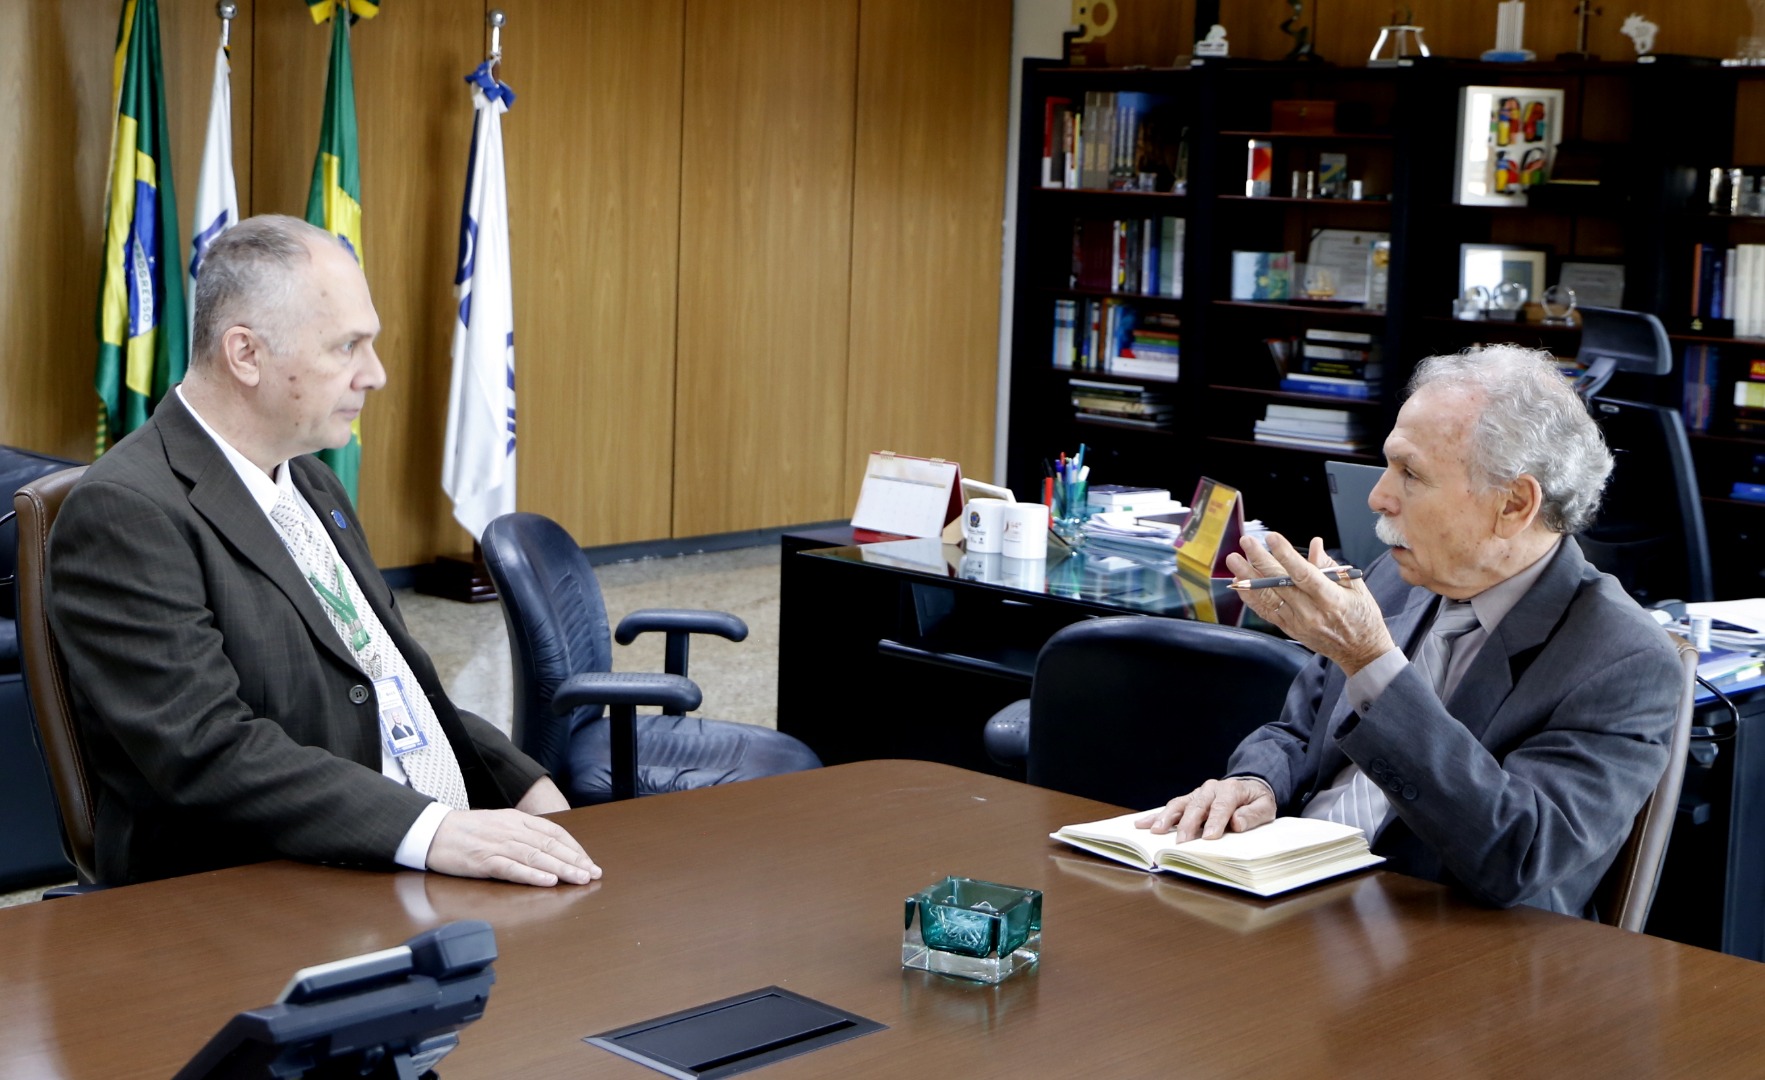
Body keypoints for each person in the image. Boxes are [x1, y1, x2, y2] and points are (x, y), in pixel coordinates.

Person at [48, 215, 602, 889]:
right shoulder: (126, 511)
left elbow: (390, 677)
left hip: (401, 847)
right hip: (255, 886)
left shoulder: (309, 479)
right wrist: (432, 832)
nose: (376, 374)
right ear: (245, 354)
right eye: (347, 347)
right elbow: (205, 749)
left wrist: (522, 784)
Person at [1138, 345, 1682, 915]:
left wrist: (1372, 661)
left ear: (1514, 504)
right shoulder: (1397, 576)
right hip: (1289, 893)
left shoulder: (1624, 659)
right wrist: (1258, 782)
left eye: (1411, 474)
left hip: (1441, 937)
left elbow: (1518, 855)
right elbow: (1299, 732)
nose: (1378, 497)